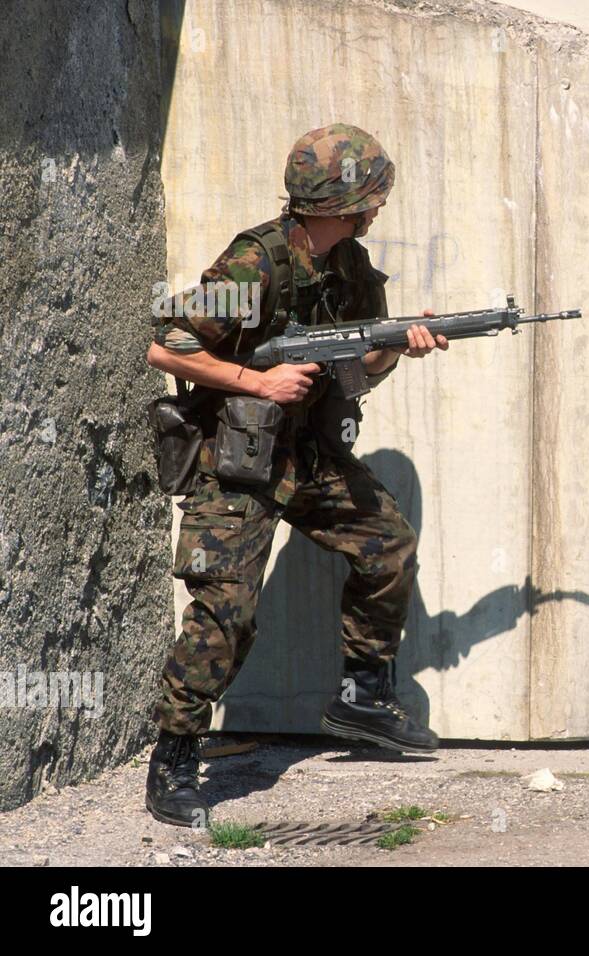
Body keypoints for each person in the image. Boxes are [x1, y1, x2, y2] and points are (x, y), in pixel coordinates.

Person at [144, 123, 445, 826]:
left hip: (306, 457)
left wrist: (400, 346)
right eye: (370, 198)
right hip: (237, 463)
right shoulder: (255, 264)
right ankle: (175, 757)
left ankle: (364, 696)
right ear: (346, 202)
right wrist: (257, 380)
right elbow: (166, 347)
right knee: (227, 612)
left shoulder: (351, 267)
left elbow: (358, 372)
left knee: (388, 546)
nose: (376, 210)